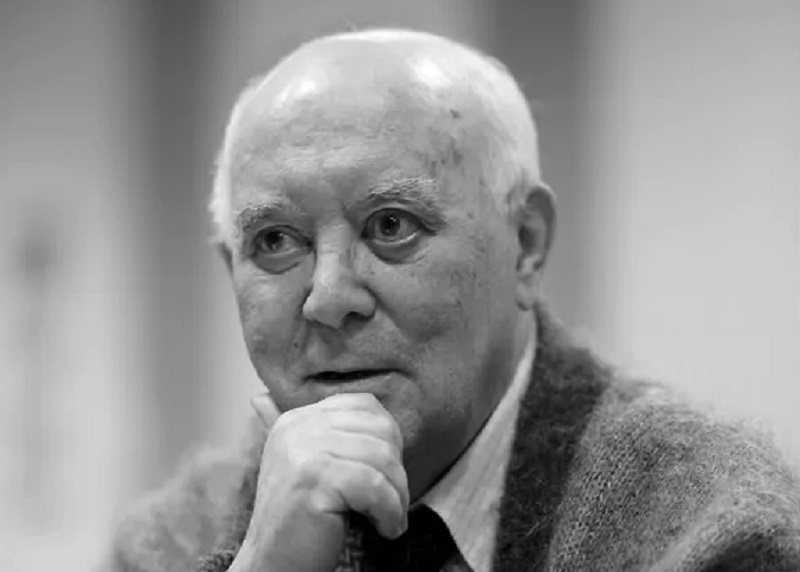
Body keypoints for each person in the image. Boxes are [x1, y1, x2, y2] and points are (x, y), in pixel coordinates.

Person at [108, 29, 800, 572]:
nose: (328, 298)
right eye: (276, 241)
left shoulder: (705, 529)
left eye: (390, 226)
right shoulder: (173, 539)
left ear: (525, 243)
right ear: (230, 267)